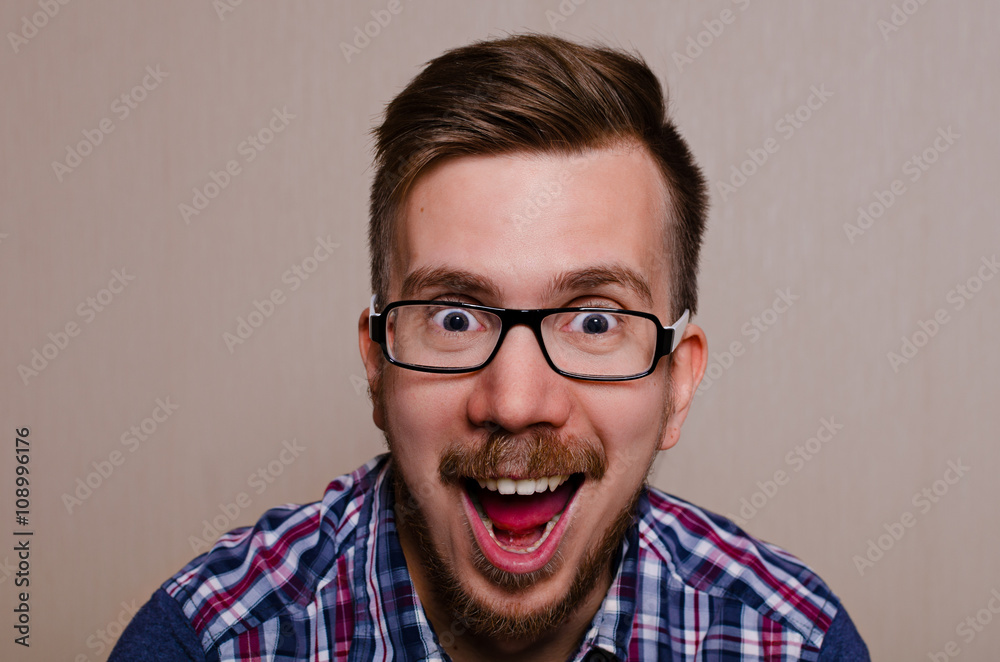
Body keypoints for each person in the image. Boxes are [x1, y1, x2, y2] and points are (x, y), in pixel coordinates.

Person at [111, 34, 869, 661]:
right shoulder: (207, 645)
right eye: (454, 317)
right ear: (376, 368)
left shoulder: (793, 645)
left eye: (595, 321)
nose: (514, 403)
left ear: (677, 384)